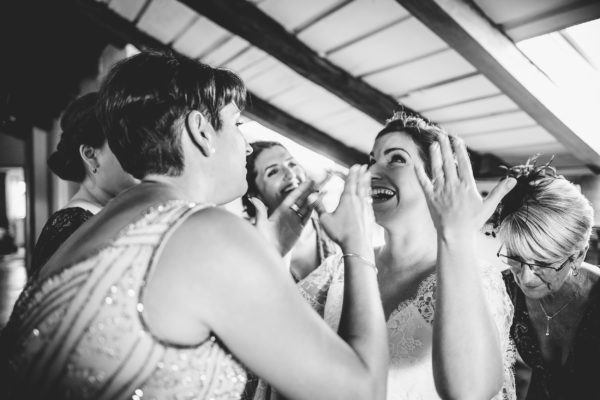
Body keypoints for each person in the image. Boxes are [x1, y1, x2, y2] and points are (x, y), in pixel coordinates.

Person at [0, 51, 388, 400]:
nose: (247, 145)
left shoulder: (98, 226)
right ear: (201, 131)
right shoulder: (205, 230)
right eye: (237, 125)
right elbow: (361, 391)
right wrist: (358, 245)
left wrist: (268, 252)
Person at [320, 113, 518, 399]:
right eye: (372, 160)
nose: (372, 172)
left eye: (396, 159)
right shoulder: (337, 268)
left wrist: (456, 237)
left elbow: (470, 393)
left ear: (437, 179)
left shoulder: (475, 277)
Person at [494, 156, 600, 399]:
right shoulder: (503, 289)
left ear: (578, 256)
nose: (527, 278)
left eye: (543, 262)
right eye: (516, 257)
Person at [31, 92, 138, 274]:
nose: (141, 154)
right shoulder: (71, 227)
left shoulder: (105, 213)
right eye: (126, 143)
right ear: (90, 155)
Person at [243, 141, 338, 284]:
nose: (290, 174)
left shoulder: (331, 225)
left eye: (292, 164)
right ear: (255, 195)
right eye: (273, 172)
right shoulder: (248, 245)